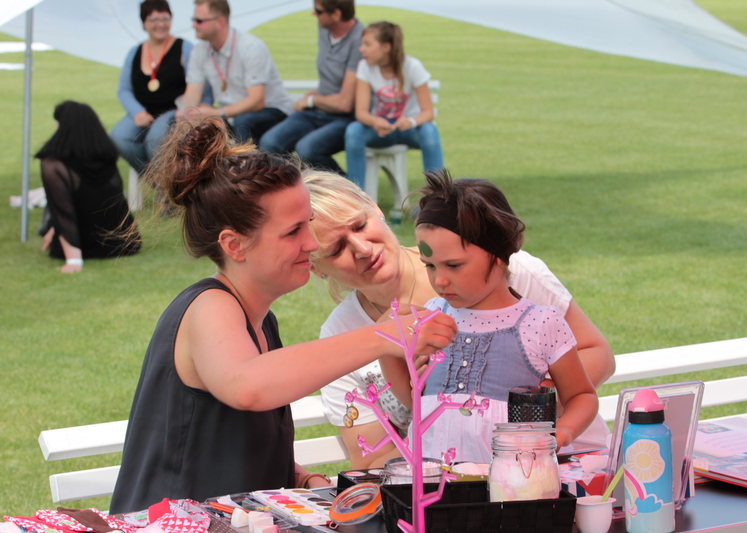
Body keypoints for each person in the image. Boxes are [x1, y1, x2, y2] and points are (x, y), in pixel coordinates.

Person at [108, 118, 456, 514]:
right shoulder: (209, 306)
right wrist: (387, 335)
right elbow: (247, 386)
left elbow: (224, 446)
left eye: (308, 226)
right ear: (234, 245)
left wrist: (304, 479)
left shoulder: (260, 320)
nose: (311, 244)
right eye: (293, 232)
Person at [303, 171, 613, 468]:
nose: (361, 249)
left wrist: (538, 407)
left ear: (375, 207)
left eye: (359, 225)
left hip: (553, 464)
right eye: (337, 249)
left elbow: (590, 365)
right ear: (313, 265)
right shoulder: (352, 334)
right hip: (449, 483)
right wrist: (386, 344)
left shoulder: (511, 275)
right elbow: (385, 441)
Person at [400, 169, 599, 462]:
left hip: (512, 477)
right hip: (431, 478)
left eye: (453, 265)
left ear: (497, 255)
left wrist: (564, 430)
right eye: (430, 265)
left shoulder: (540, 323)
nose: (439, 280)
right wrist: (391, 349)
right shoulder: (432, 316)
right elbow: (416, 401)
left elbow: (582, 395)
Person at [36, 101, 141, 274]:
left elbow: (64, 212)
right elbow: (98, 201)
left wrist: (74, 260)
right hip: (123, 243)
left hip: (83, 244)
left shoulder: (53, 165)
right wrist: (55, 228)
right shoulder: (106, 156)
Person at [259, 0, 363, 174]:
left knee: (307, 150)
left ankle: (344, 187)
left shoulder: (360, 40)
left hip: (346, 117)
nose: (314, 14)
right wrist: (317, 94)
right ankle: (294, 186)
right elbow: (334, 78)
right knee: (269, 144)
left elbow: (345, 103)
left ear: (336, 14)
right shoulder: (325, 28)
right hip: (319, 110)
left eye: (319, 11)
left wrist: (311, 100)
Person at [175, 0, 294, 144]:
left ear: (220, 22)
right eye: (193, 19)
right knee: (179, 121)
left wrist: (214, 113)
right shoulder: (199, 50)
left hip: (272, 110)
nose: (193, 25)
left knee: (242, 122)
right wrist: (185, 111)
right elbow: (192, 94)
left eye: (199, 21)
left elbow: (256, 101)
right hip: (230, 114)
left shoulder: (250, 47)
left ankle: (244, 158)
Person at [344, 21, 443, 190]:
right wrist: (375, 121)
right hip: (379, 130)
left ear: (386, 47)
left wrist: (411, 121)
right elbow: (361, 113)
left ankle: (438, 195)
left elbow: (428, 112)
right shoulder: (364, 67)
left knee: (429, 130)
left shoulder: (412, 67)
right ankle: (356, 195)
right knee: (353, 130)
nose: (361, 49)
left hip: (408, 130)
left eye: (367, 44)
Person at [110, 0, 201, 174]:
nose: (160, 24)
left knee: (156, 138)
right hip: (143, 111)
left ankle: (165, 185)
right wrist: (137, 112)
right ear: (144, 23)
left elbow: (198, 85)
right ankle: (156, 180)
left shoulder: (185, 48)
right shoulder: (135, 52)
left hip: (173, 112)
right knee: (118, 137)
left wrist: (188, 109)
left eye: (165, 19)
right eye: (153, 20)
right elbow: (124, 90)